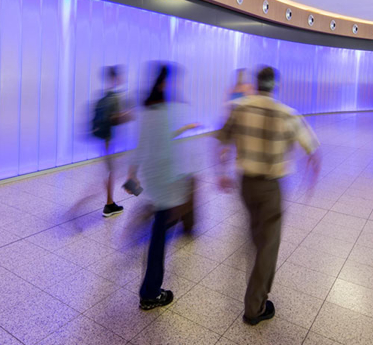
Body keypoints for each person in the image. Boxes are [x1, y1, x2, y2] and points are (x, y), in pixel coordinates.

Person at [216, 66, 320, 326]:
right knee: (268, 247)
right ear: (275, 86)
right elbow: (313, 153)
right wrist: (311, 181)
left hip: (245, 185)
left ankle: (258, 284)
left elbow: (221, 141)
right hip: (270, 187)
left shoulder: (239, 108)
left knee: (257, 235)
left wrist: (222, 173)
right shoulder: (287, 114)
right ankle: (254, 307)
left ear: (256, 83)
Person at [126, 63, 199, 310]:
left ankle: (151, 288)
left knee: (160, 226)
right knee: (159, 234)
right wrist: (183, 180)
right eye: (171, 81)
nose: (173, 85)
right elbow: (170, 150)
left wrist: (132, 174)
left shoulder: (149, 111)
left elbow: (144, 144)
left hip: (153, 178)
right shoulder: (166, 110)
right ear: (163, 83)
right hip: (166, 179)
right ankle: (150, 292)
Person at [91, 65, 131, 217]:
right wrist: (129, 115)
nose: (122, 79)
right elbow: (116, 119)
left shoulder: (104, 96)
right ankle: (108, 205)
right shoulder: (114, 98)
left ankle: (110, 203)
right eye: (120, 76)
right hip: (109, 140)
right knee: (109, 172)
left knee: (110, 171)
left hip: (105, 140)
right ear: (115, 78)